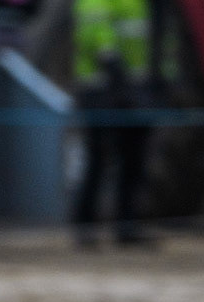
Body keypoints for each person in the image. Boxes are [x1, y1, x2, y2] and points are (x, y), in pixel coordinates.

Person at [70, 0, 153, 245]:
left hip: (134, 90)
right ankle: (85, 227)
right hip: (101, 88)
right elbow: (95, 33)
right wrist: (112, 64)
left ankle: (126, 228)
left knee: (133, 161)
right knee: (97, 159)